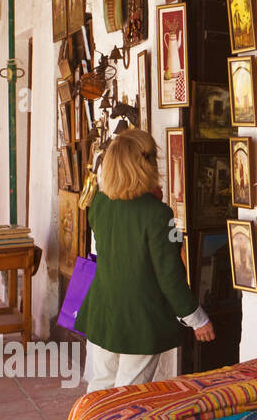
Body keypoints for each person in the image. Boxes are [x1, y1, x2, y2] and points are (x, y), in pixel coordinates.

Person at [78, 128, 214, 392]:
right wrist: (197, 319)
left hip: (103, 309)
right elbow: (170, 275)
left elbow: (115, 249)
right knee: (128, 392)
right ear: (146, 164)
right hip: (140, 317)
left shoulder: (99, 205)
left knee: (101, 385)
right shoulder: (160, 214)